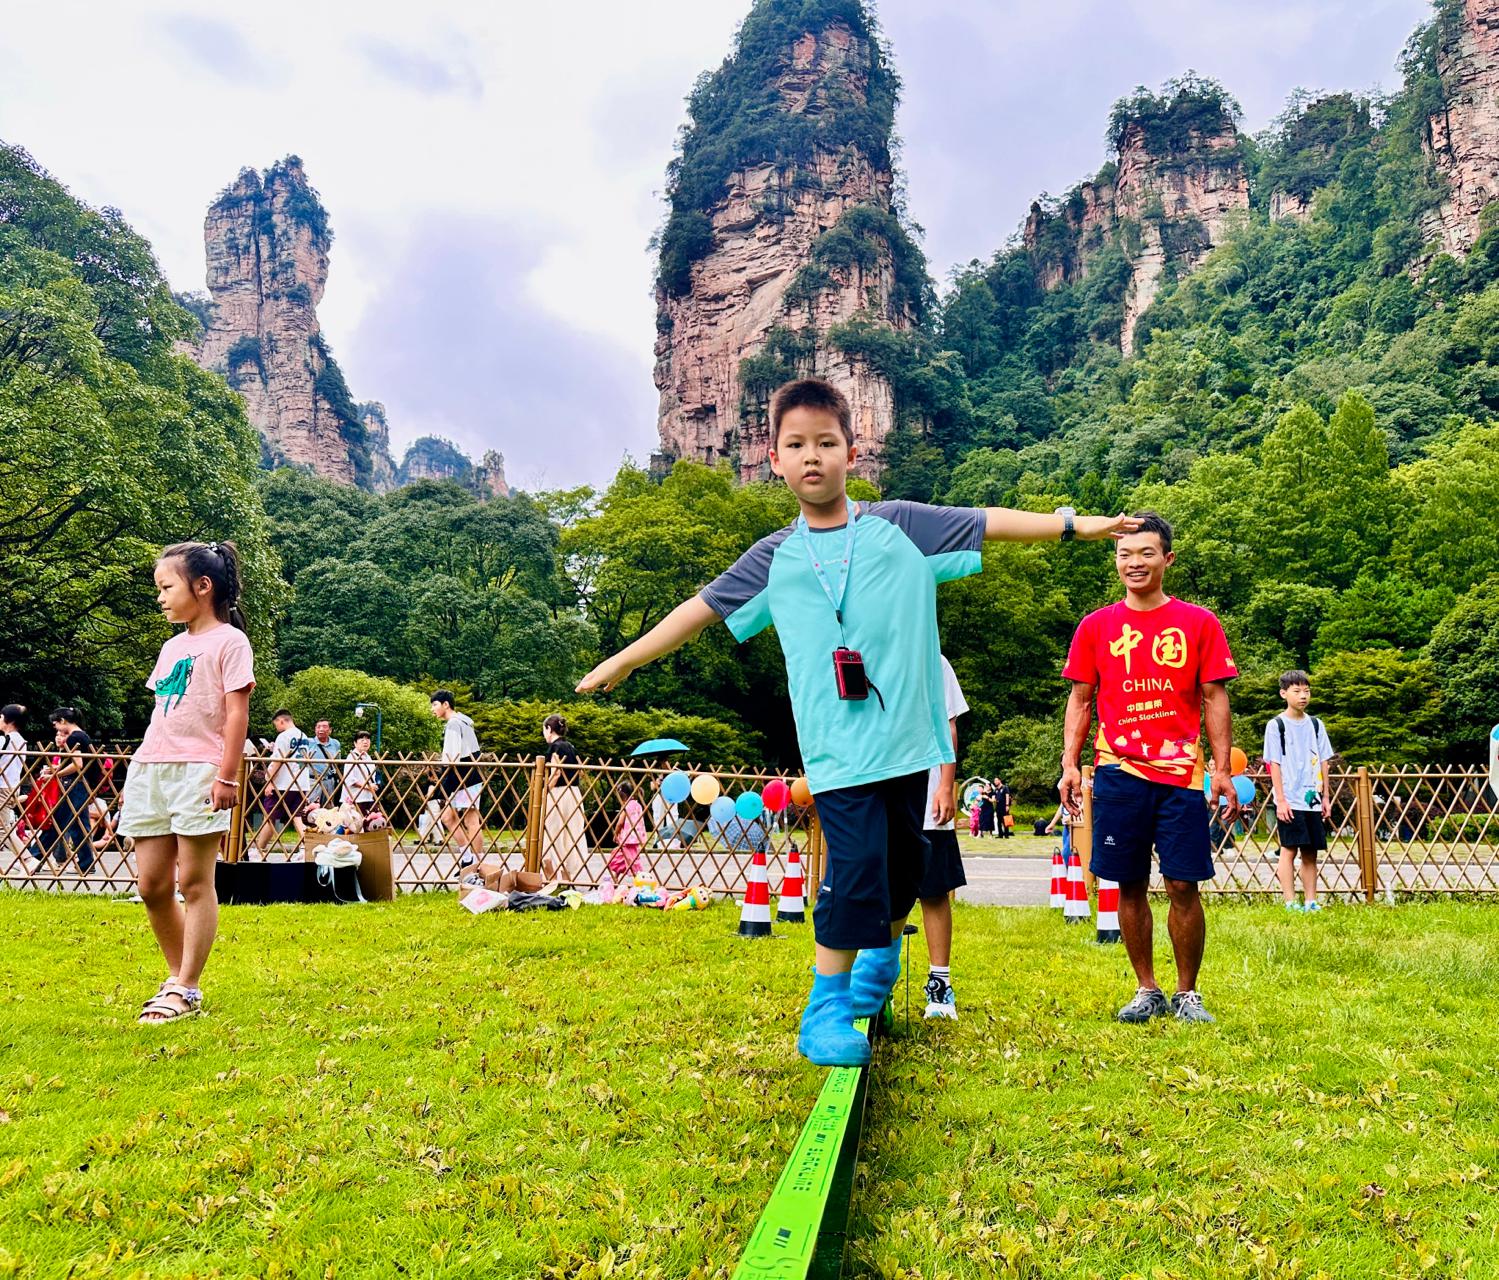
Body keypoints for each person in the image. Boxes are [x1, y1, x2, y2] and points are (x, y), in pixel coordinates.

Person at [577, 376, 1135, 1065]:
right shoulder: (772, 556)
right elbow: (699, 610)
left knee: (906, 869)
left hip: (911, 741)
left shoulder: (897, 527)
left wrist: (1077, 525)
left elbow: (987, 520)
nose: (811, 456)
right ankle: (826, 1006)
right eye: (795, 445)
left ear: (851, 450)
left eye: (825, 442)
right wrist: (624, 662)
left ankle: (878, 963)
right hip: (837, 749)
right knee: (857, 865)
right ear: (772, 459)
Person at [1060, 512, 1239, 1025]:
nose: (1134, 563)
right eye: (1124, 554)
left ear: (1167, 559)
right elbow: (1080, 698)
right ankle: (1147, 988)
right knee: (1128, 883)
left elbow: (1214, 697)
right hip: (1118, 771)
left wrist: (1222, 769)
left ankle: (1188, 993)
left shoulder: (1199, 623)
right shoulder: (1096, 626)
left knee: (1184, 884)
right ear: (1115, 560)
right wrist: (1070, 763)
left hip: (1181, 773)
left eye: (1145, 553)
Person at [118, 540, 255, 1023]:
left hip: (200, 771)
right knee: (153, 886)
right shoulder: (172, 646)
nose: (160, 597)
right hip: (153, 767)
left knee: (195, 882)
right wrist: (142, 767)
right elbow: (166, 711)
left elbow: (237, 714)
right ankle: (176, 978)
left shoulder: (231, 642)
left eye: (166, 586)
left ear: (202, 586)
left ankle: (187, 988)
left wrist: (227, 776)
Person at [919, 654, 969, 1020]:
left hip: (927, 795)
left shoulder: (933, 660)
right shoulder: (860, 651)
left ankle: (940, 987)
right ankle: (876, 981)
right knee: (881, 891)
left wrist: (947, 785)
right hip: (880, 793)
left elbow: (948, 725)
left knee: (934, 891)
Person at [1265, 669, 1336, 913]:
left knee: (1311, 851)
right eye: (1297, 691)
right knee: (1288, 848)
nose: (1303, 696)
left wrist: (1326, 796)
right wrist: (1281, 800)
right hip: (1290, 798)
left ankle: (1310, 901)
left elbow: (1325, 760)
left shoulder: (1316, 724)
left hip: (1313, 798)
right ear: (1284, 693)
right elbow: (1273, 763)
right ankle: (1289, 902)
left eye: (1306, 691)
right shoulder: (1276, 725)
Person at [431, 690, 483, 868]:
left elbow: (450, 757)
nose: (433, 709)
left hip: (461, 773)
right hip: (469, 772)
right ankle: (468, 858)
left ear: (446, 704)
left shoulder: (454, 723)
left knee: (469, 820)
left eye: (435, 704)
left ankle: (475, 863)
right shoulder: (465, 721)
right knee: (450, 817)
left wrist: (441, 782)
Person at [44, 707, 97, 874]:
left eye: (56, 725)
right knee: (80, 826)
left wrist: (56, 774)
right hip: (83, 784)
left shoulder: (74, 738)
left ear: (62, 721)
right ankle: (86, 864)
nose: (57, 729)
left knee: (59, 820)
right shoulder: (83, 735)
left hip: (75, 784)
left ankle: (35, 857)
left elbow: (77, 765)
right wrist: (56, 769)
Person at [251, 709, 312, 857]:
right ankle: (308, 847)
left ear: (281, 721)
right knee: (297, 817)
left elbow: (277, 760)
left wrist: (269, 780)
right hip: (301, 782)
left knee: (271, 817)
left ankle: (259, 849)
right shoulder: (304, 736)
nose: (276, 727)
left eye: (276, 724)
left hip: (283, 783)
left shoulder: (283, 736)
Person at [540, 714, 588, 884]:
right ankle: (568, 881)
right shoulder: (571, 747)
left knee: (550, 835)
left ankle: (551, 880)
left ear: (548, 729)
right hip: (574, 793)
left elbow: (556, 772)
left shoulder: (555, 748)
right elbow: (581, 770)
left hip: (559, 793)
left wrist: (544, 790)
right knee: (570, 835)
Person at [1, 704, 27, 868]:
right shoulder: (21, 741)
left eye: (1, 717)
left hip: (2, 787)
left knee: (2, 830)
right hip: (12, 786)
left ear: (9, 720)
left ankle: (28, 860)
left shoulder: (5, 740)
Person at [340, 729, 379, 814]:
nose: (365, 742)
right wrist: (367, 787)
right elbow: (349, 779)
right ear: (355, 743)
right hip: (355, 797)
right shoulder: (351, 757)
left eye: (367, 739)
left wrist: (373, 786)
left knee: (370, 823)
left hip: (368, 797)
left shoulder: (368, 757)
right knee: (354, 824)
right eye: (362, 740)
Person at [306, 719, 341, 808]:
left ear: (330, 730)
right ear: (315, 729)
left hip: (329, 781)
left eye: (324, 727)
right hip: (313, 781)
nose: (321, 729)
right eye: (318, 727)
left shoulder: (335, 743)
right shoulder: (309, 742)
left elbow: (338, 762)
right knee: (312, 810)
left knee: (329, 810)